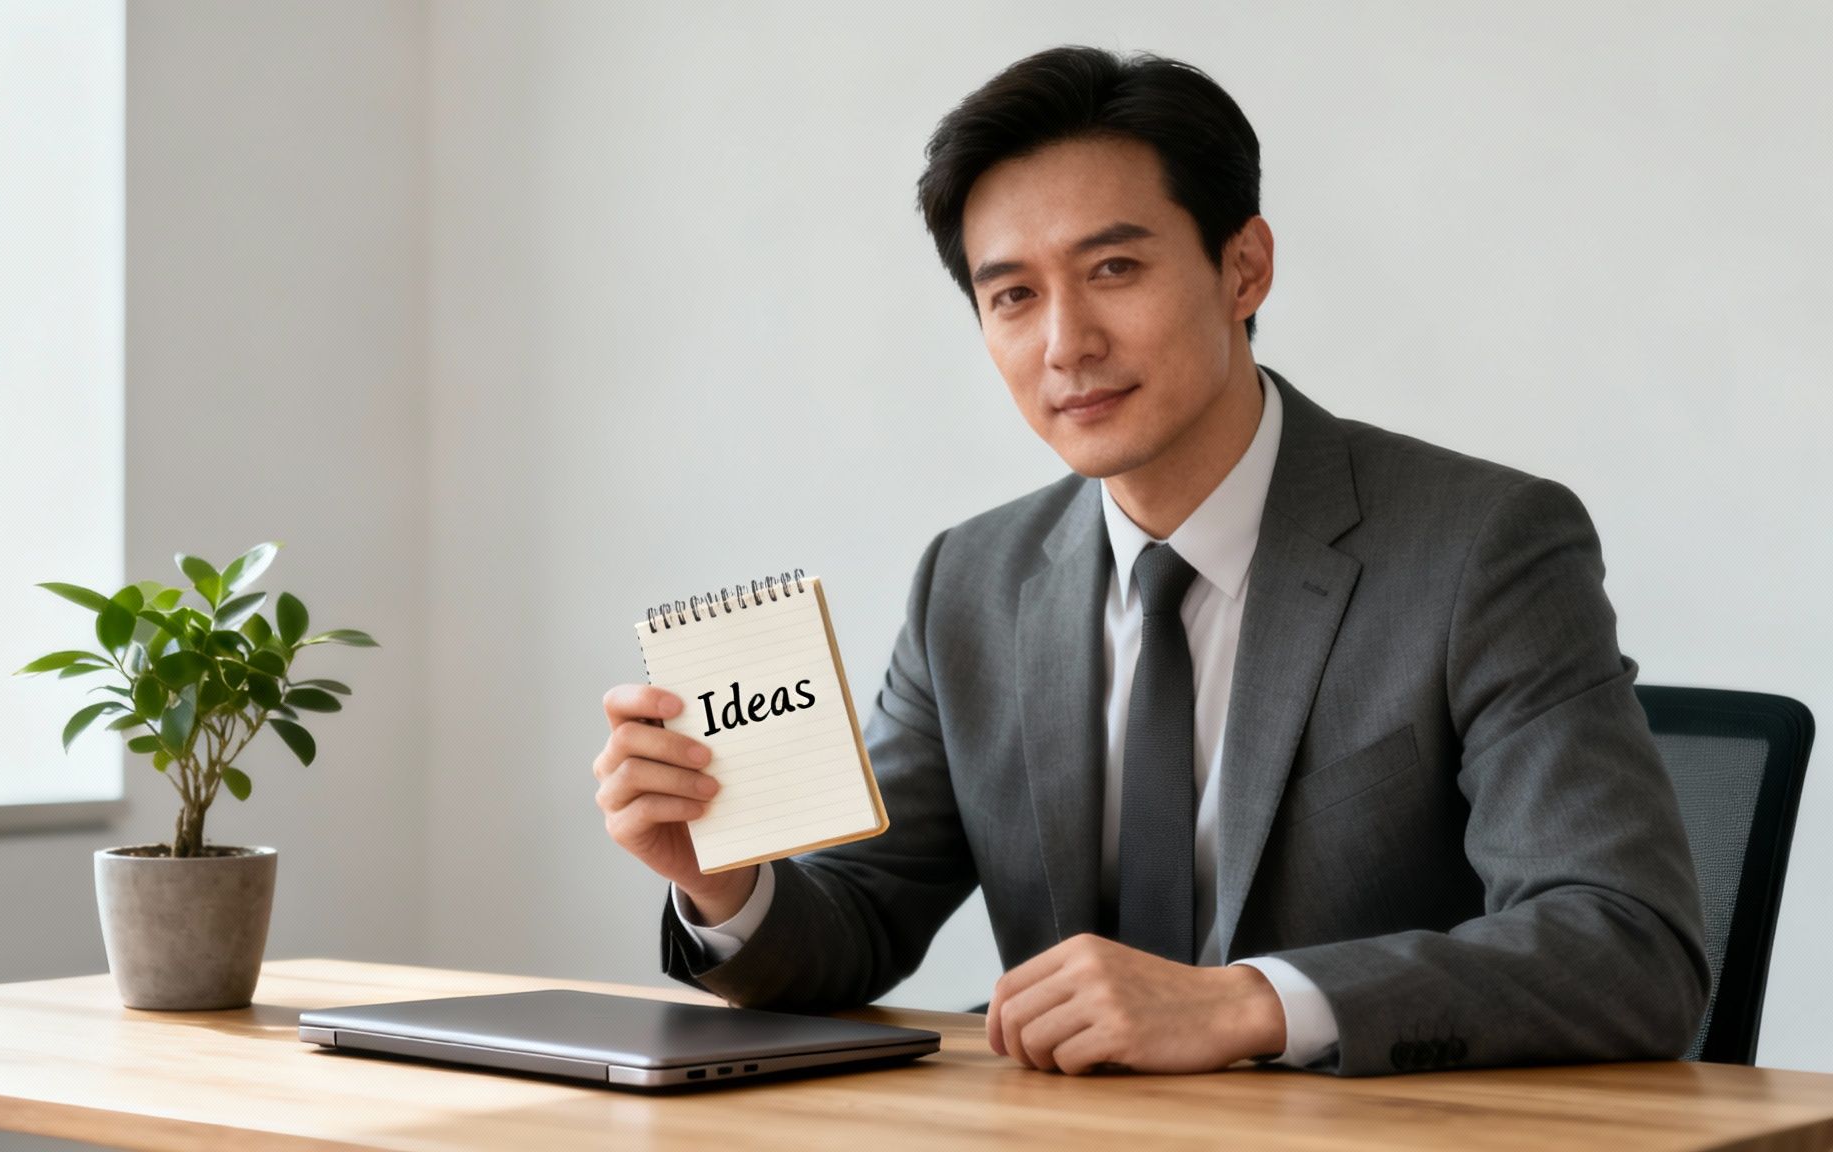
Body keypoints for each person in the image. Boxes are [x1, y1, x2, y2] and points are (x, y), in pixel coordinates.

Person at [591, 46, 1708, 1077]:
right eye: (1011, 296)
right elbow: (861, 918)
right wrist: (721, 881)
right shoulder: (968, 584)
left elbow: (1626, 944)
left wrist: (1250, 1003)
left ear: (1243, 268)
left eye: (1113, 267)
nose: (1063, 342)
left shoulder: (1479, 546)